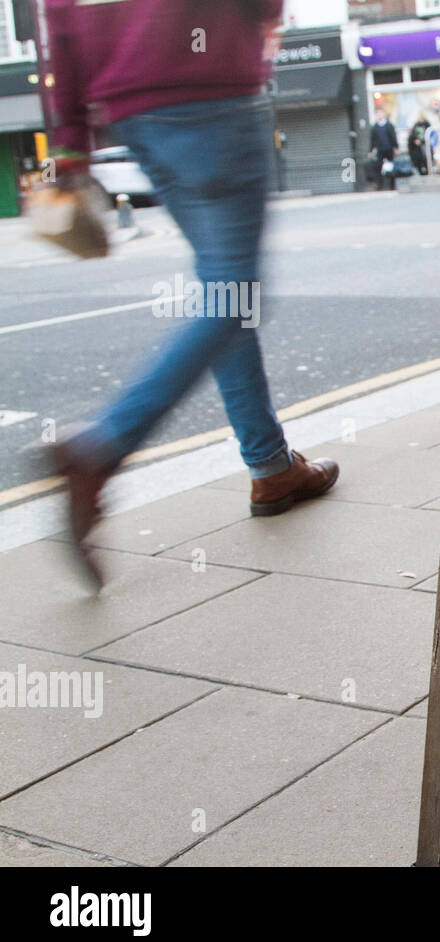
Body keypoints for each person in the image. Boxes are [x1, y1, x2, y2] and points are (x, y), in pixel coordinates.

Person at [41, 0, 339, 589]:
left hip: (132, 109)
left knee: (223, 288)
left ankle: (271, 467)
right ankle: (102, 446)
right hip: (209, 89)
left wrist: (70, 144)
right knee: (233, 292)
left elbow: (59, 17)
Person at [370, 106, 399, 190]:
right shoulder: (374, 127)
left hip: (389, 149)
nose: (379, 115)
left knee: (391, 167)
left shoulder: (389, 125)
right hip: (380, 150)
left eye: (381, 113)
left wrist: (395, 147)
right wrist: (371, 150)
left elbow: (393, 137)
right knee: (378, 167)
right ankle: (380, 186)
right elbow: (372, 140)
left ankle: (392, 186)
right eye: (378, 113)